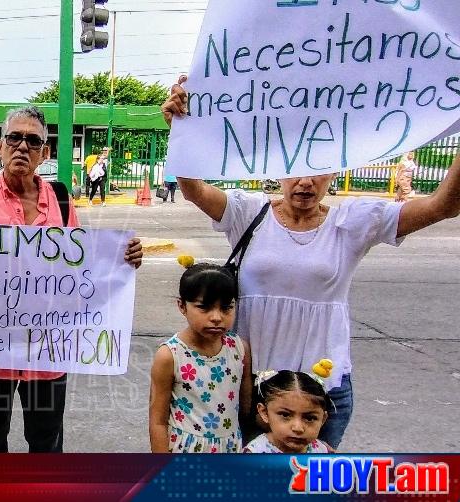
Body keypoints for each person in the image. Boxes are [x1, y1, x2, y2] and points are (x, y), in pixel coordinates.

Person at [161, 76, 460, 448]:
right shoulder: (247, 213)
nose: (305, 182)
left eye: (318, 170)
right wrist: (182, 131)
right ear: (279, 171)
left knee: (310, 490)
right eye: (296, 171)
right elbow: (194, 190)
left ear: (336, 171)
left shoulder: (352, 223)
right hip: (251, 393)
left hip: (322, 393)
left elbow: (443, 206)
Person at [0, 106, 144, 453]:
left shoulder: (61, 199)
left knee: (46, 442)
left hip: (48, 351)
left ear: (44, 153)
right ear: (1, 146)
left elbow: (78, 271)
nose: (22, 146)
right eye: (14, 137)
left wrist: (121, 261)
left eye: (33, 141)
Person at [149, 258, 252, 453]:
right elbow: (158, 422)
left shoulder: (239, 349)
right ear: (182, 306)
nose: (216, 317)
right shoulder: (170, 355)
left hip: (230, 449)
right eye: (204, 307)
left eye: (226, 307)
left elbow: (246, 409)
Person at [243, 362, 335, 453]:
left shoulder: (321, 451)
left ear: (323, 419)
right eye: (285, 415)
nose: (298, 428)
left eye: (310, 418)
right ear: (264, 412)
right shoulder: (255, 455)